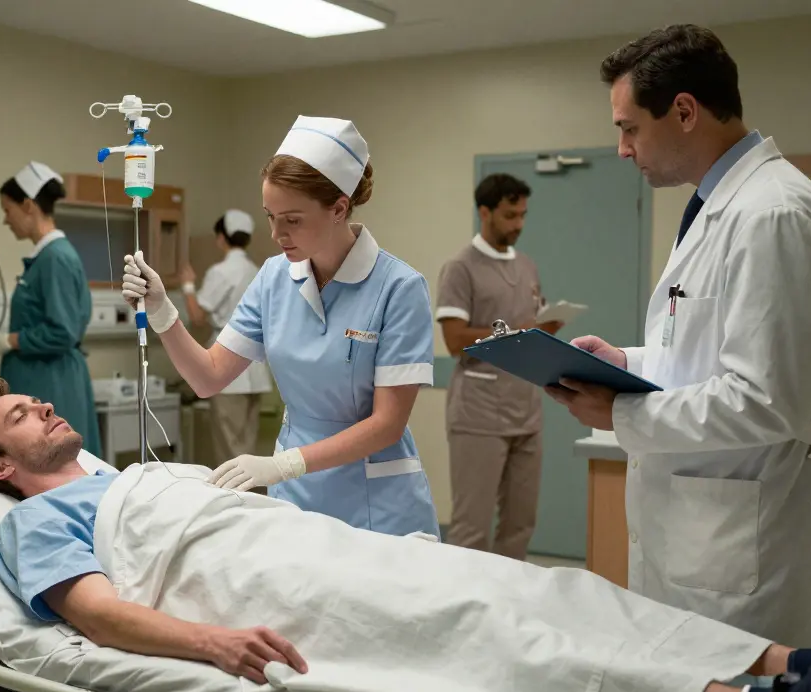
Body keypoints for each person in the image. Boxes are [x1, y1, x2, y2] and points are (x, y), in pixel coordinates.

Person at [0, 378, 811, 692]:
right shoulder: (34, 525)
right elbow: (91, 612)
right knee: (482, 625)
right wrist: (212, 644)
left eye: (37, 399)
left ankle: (798, 663)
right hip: (257, 588)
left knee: (539, 589)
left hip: (307, 543)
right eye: (19, 416)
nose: (44, 408)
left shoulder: (129, 477)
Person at [548, 24, 811, 649]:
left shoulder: (772, 214)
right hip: (712, 529)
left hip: (758, 540)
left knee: (747, 691)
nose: (621, 148)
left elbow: (765, 398)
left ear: (685, 111)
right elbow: (709, 352)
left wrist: (622, 411)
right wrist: (626, 361)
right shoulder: (720, 208)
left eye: (629, 127)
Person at [120, 116, 439, 538]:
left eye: (292, 219)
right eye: (270, 217)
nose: (275, 233)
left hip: (377, 503)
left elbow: (387, 425)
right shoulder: (275, 278)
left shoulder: (398, 288)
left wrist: (281, 465)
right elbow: (209, 376)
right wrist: (162, 312)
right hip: (299, 496)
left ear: (339, 208)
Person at [435, 173, 562, 560]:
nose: (518, 224)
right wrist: (519, 332)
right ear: (484, 212)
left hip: (526, 413)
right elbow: (455, 340)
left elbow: (535, 324)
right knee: (472, 528)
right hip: (479, 416)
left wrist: (546, 328)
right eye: (510, 215)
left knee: (520, 525)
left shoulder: (527, 266)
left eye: (523, 215)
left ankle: (512, 609)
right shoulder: (460, 267)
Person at [0, 161, 102, 457]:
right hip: (44, 379)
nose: (6, 220)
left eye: (8, 210)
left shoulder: (55, 259)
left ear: (28, 205)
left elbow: (62, 332)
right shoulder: (46, 257)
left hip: (52, 382)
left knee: (53, 466)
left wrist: (10, 341)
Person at [177, 209, 273, 463]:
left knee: (230, 451)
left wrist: (187, 284)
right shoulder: (258, 270)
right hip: (255, 368)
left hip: (228, 367)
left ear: (221, 238)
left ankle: (237, 501)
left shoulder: (221, 272)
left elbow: (198, 317)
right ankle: (252, 500)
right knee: (247, 448)